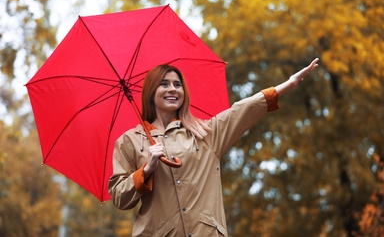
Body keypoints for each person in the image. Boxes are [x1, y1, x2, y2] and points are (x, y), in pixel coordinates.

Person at [108, 58, 319, 236]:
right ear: (151, 92)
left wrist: (288, 84)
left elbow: (243, 109)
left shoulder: (205, 133)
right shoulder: (129, 141)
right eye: (164, 84)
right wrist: (146, 170)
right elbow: (119, 196)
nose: (172, 89)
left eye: (177, 84)